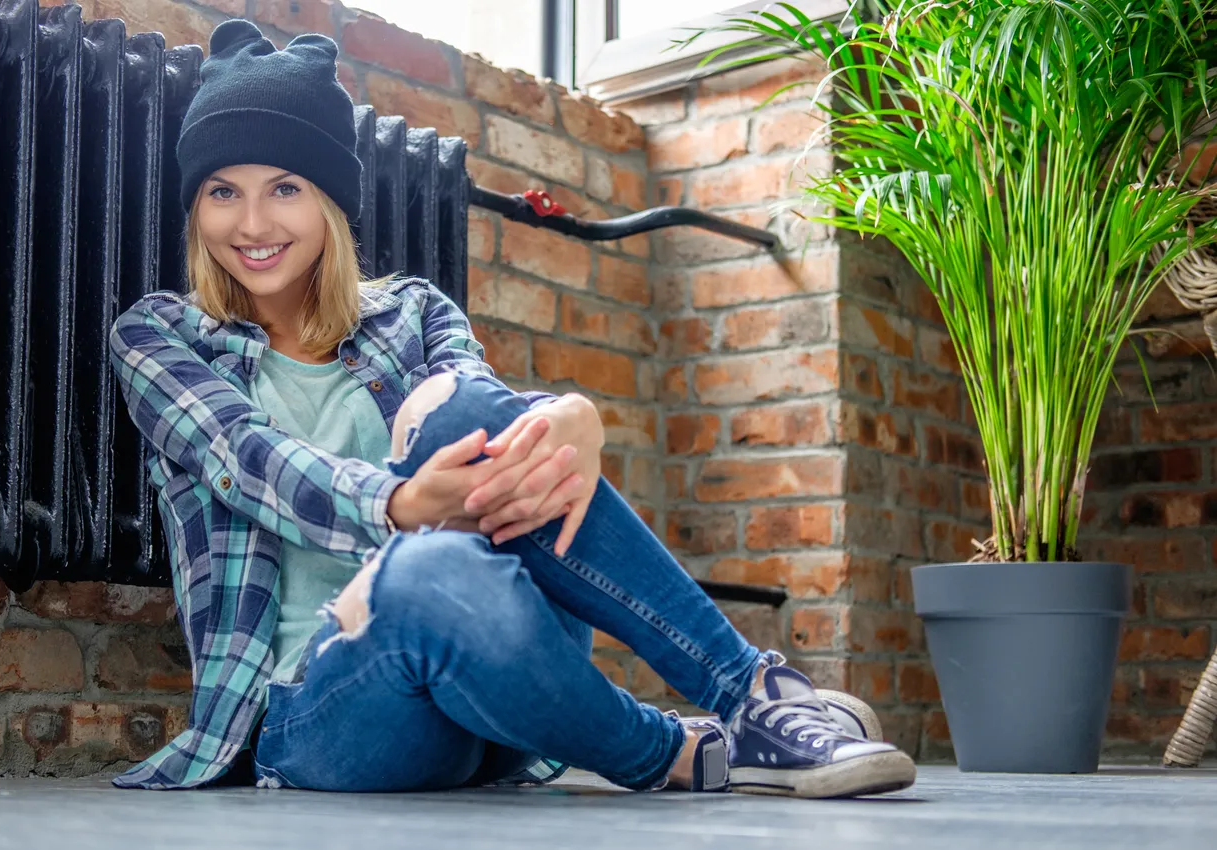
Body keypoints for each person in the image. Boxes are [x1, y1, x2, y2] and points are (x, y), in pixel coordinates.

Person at [109, 18, 917, 799]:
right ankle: (678, 751)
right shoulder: (161, 337)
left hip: (496, 679)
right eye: (223, 191)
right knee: (428, 572)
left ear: (330, 202)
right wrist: (399, 505)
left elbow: (490, 423)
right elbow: (247, 460)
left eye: (284, 187)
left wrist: (573, 416)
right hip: (319, 712)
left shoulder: (412, 314)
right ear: (197, 207)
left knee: (464, 418)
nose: (252, 224)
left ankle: (750, 693)